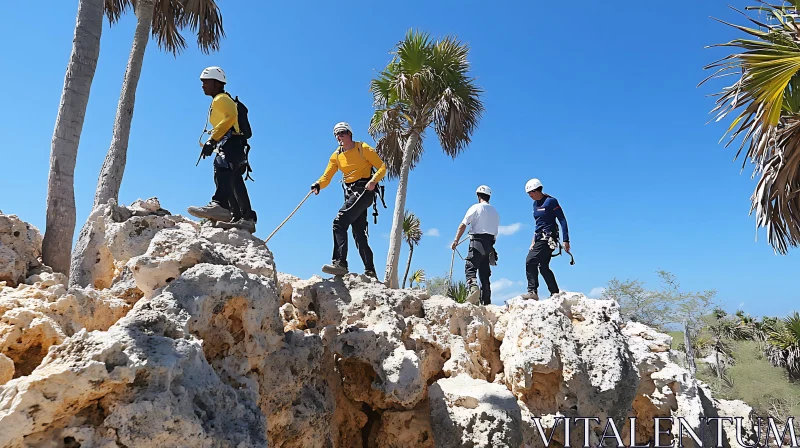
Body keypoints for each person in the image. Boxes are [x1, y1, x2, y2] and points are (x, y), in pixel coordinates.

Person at [311, 122, 386, 278]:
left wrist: (373, 181)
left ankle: (340, 263)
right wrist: (318, 184)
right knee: (358, 233)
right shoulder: (336, 155)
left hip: (364, 190)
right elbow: (327, 176)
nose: (339, 136)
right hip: (350, 193)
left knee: (339, 221)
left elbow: (382, 167)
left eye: (342, 133)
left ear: (350, 134)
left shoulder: (362, 148)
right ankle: (370, 271)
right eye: (336, 134)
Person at [188, 66, 257, 233]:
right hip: (235, 143)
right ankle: (242, 217)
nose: (203, 85)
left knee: (222, 168)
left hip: (231, 142)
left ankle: (221, 205)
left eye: (205, 81)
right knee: (233, 179)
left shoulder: (220, 99)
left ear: (216, 83)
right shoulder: (223, 98)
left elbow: (230, 117)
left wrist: (212, 141)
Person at [522, 178, 570, 300]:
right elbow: (538, 224)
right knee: (543, 266)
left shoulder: (551, 202)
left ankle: (532, 291)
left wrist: (566, 240)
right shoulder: (535, 204)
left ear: (538, 190)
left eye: (531, 192)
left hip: (548, 239)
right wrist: (533, 241)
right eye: (528, 193)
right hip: (538, 238)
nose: (530, 195)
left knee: (530, 261)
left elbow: (562, 220)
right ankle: (555, 293)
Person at [451, 185, 499, 305]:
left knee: (470, 266)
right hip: (489, 244)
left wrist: (456, 240)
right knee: (485, 274)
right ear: (489, 197)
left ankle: (473, 289)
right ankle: (486, 302)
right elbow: (495, 233)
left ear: (478, 196)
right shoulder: (495, 212)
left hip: (477, 241)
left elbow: (463, 225)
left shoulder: (476, 207)